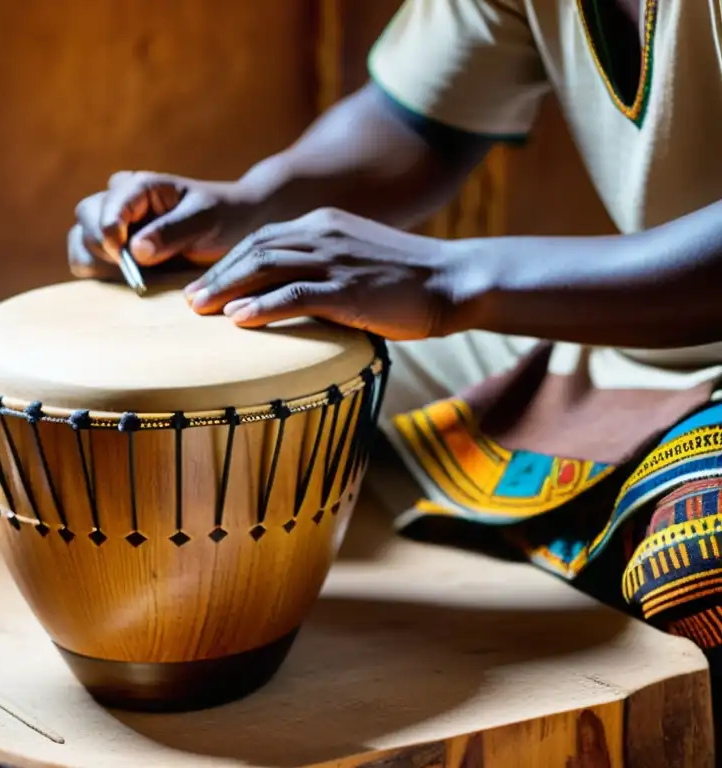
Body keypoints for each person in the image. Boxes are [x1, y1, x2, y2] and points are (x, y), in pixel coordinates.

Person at [68, 0, 722, 734]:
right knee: (251, 412)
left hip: (644, 322)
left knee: (701, 562)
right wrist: (251, 205)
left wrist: (453, 280)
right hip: (618, 334)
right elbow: (414, 122)